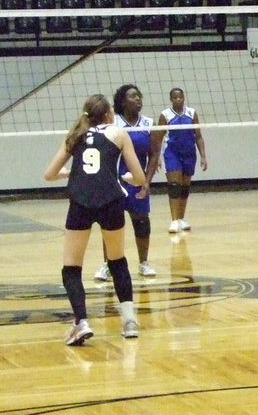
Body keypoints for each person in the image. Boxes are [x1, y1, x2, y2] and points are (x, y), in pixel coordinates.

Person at [43, 94, 146, 346]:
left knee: (71, 267)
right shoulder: (118, 134)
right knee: (117, 260)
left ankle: (82, 322)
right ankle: (129, 321)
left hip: (80, 202)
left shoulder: (75, 136)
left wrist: (70, 172)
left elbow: (49, 174)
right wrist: (130, 180)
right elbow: (140, 177)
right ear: (109, 114)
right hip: (111, 201)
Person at [95, 84, 161, 281]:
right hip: (115, 180)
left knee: (141, 221)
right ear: (122, 101)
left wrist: (146, 182)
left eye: (140, 95)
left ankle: (144, 263)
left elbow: (154, 154)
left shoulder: (148, 123)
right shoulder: (112, 122)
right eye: (133, 96)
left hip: (137, 180)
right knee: (110, 224)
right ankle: (107, 264)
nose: (138, 99)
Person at [154, 87, 207, 234]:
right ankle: (174, 220)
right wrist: (156, 157)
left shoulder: (192, 113)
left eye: (180, 97)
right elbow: (158, 138)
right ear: (171, 99)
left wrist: (203, 156)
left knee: (184, 188)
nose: (178, 100)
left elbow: (198, 136)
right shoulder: (165, 115)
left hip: (189, 153)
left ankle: (181, 219)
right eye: (175, 98)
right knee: (174, 186)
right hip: (172, 153)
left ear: (184, 98)